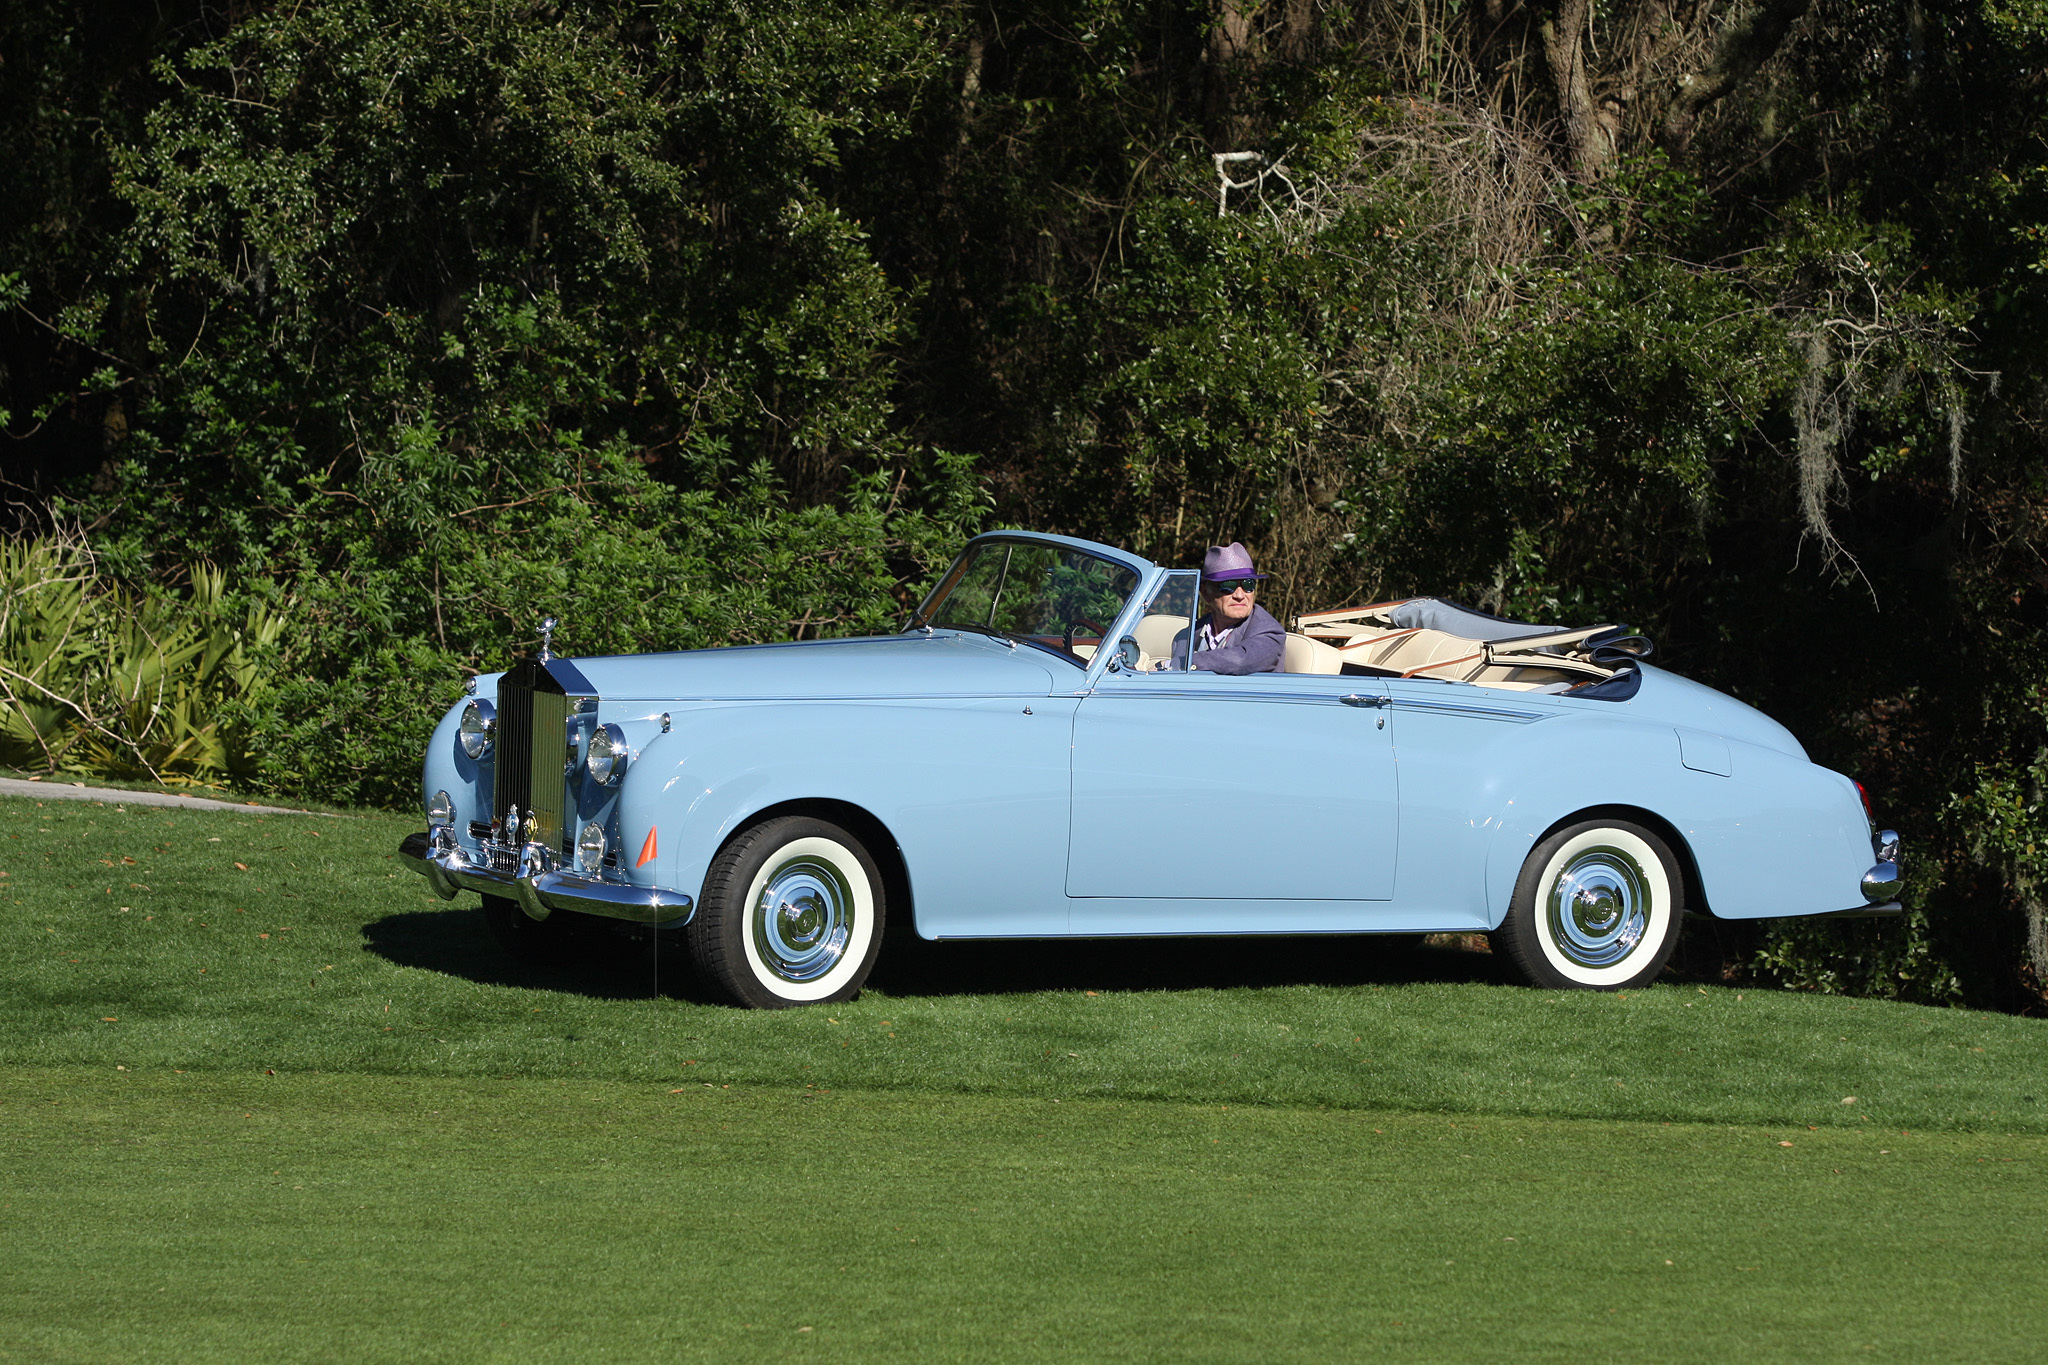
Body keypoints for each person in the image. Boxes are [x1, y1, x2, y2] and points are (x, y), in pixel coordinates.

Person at [1170, 542, 1284, 674]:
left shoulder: (1269, 632)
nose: (1240, 595)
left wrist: (1179, 663)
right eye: (1228, 585)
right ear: (1206, 593)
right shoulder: (1185, 637)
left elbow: (1240, 660)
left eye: (1248, 585)